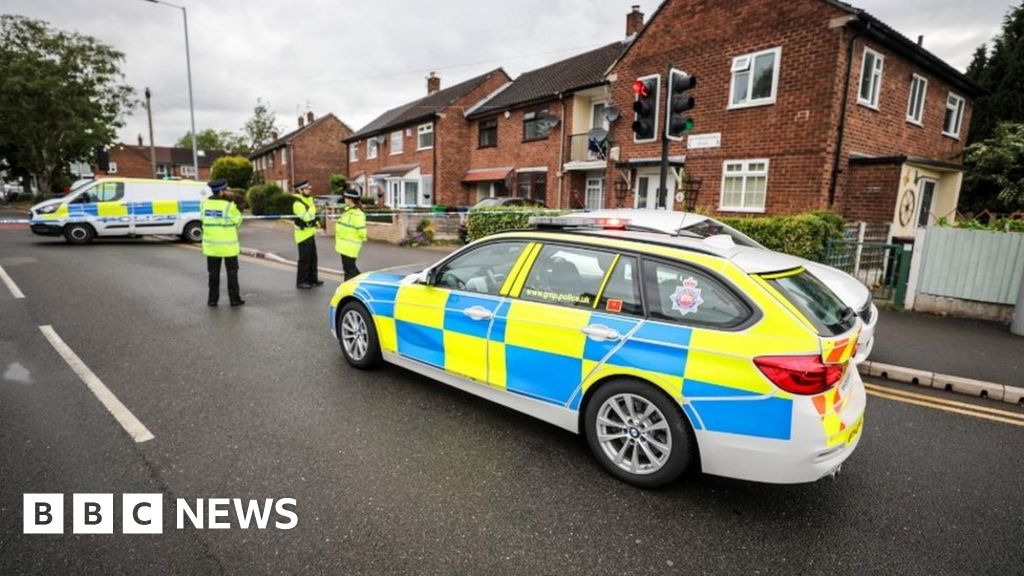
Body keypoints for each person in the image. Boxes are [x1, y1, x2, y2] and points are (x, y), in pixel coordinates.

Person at [201, 179, 244, 307]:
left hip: (212, 247)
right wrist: (239, 208)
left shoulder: (204, 204)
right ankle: (234, 300)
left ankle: (212, 300)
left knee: (213, 274)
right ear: (221, 192)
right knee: (232, 274)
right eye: (227, 190)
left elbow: (204, 219)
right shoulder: (229, 206)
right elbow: (238, 222)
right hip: (228, 247)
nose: (229, 191)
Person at [292, 180, 322, 289]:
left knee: (313, 258)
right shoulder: (298, 203)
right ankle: (301, 281)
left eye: (309, 189)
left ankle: (313, 279)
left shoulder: (309, 201)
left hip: (310, 233)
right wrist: (313, 209)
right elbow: (307, 217)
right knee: (304, 260)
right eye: (306, 189)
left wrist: (315, 219)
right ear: (300, 190)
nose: (309, 190)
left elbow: (313, 217)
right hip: (302, 235)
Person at [335, 188, 367, 280]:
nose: (344, 200)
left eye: (345, 198)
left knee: (349, 270)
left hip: (350, 246)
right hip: (344, 245)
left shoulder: (358, 214)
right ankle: (361, 282)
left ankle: (348, 289)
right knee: (350, 268)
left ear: (350, 199)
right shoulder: (348, 211)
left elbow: (361, 231)